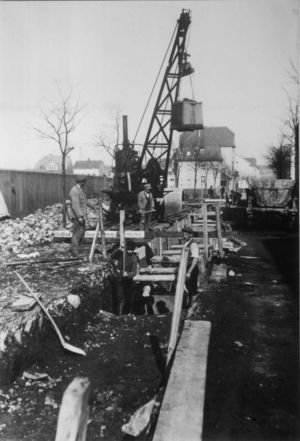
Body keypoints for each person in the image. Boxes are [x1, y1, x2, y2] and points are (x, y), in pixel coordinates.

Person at [69, 176, 96, 256]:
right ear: (82, 182)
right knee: (77, 234)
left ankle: (78, 249)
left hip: (81, 216)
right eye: (84, 183)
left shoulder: (79, 190)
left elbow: (83, 201)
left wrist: (92, 204)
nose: (85, 184)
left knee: (81, 233)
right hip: (78, 217)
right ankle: (74, 251)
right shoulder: (74, 191)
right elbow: (75, 205)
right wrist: (80, 216)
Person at [111, 241, 139, 315]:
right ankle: (120, 316)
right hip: (118, 278)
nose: (130, 251)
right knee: (121, 298)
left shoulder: (134, 257)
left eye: (131, 250)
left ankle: (128, 314)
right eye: (128, 250)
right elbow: (112, 256)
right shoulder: (121, 253)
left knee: (129, 298)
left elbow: (134, 271)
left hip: (128, 280)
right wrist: (119, 249)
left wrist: (128, 274)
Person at [182, 225, 199, 307]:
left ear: (190, 235)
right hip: (186, 268)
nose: (183, 236)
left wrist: (189, 271)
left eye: (185, 234)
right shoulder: (186, 243)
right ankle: (189, 305)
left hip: (192, 269)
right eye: (183, 234)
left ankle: (192, 307)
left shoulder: (193, 244)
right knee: (188, 287)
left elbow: (195, 259)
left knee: (193, 288)